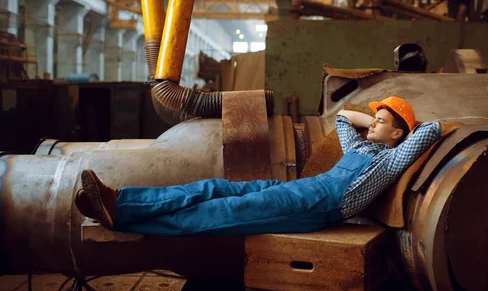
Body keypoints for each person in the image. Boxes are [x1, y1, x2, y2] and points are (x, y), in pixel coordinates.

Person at [75, 96, 442, 236]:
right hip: (302, 188)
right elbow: (345, 118)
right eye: (374, 117)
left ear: (398, 135)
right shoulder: (359, 145)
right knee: (213, 187)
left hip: (316, 205)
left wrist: (401, 129)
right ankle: (120, 201)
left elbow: (431, 130)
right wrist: (376, 123)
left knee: (221, 212)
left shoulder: (393, 159)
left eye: (382, 121)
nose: (373, 122)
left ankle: (121, 216)